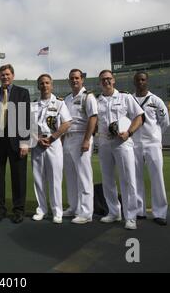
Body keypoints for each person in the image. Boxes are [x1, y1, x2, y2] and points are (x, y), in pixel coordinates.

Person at [96, 70, 144, 230]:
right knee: (107, 179)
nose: (106, 82)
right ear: (100, 82)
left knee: (127, 179)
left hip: (122, 143)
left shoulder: (125, 97)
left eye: (109, 79)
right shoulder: (97, 101)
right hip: (104, 143)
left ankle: (131, 216)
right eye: (103, 80)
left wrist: (129, 132)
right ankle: (113, 212)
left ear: (114, 80)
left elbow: (139, 116)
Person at [0, 64, 31, 223]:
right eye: (2, 75)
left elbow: (25, 118)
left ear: (13, 75)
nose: (5, 77)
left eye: (7, 74)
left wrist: (25, 142)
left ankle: (18, 210)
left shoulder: (22, 93)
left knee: (18, 177)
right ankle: (0, 210)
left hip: (17, 141)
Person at [31, 74, 72, 224]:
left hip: (53, 144)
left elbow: (67, 123)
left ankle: (57, 211)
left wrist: (53, 137)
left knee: (55, 179)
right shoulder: (33, 105)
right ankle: (41, 209)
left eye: (47, 83)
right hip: (37, 144)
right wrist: (37, 139)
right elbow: (27, 127)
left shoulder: (60, 103)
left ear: (52, 85)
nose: (45, 86)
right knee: (39, 179)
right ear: (38, 86)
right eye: (41, 83)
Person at [132, 71, 170, 226]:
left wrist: (155, 136)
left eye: (143, 79)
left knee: (157, 177)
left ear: (147, 81)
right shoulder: (130, 99)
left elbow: (164, 122)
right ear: (134, 82)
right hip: (134, 143)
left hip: (152, 144)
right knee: (135, 179)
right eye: (138, 80)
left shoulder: (156, 100)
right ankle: (139, 210)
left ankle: (160, 212)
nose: (140, 82)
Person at [63, 69, 98, 224]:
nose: (74, 80)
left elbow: (93, 118)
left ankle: (86, 212)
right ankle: (74, 207)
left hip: (81, 137)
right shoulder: (67, 99)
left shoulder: (88, 96)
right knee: (70, 176)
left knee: (84, 176)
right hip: (68, 139)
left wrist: (87, 139)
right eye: (72, 78)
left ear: (82, 79)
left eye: (77, 78)